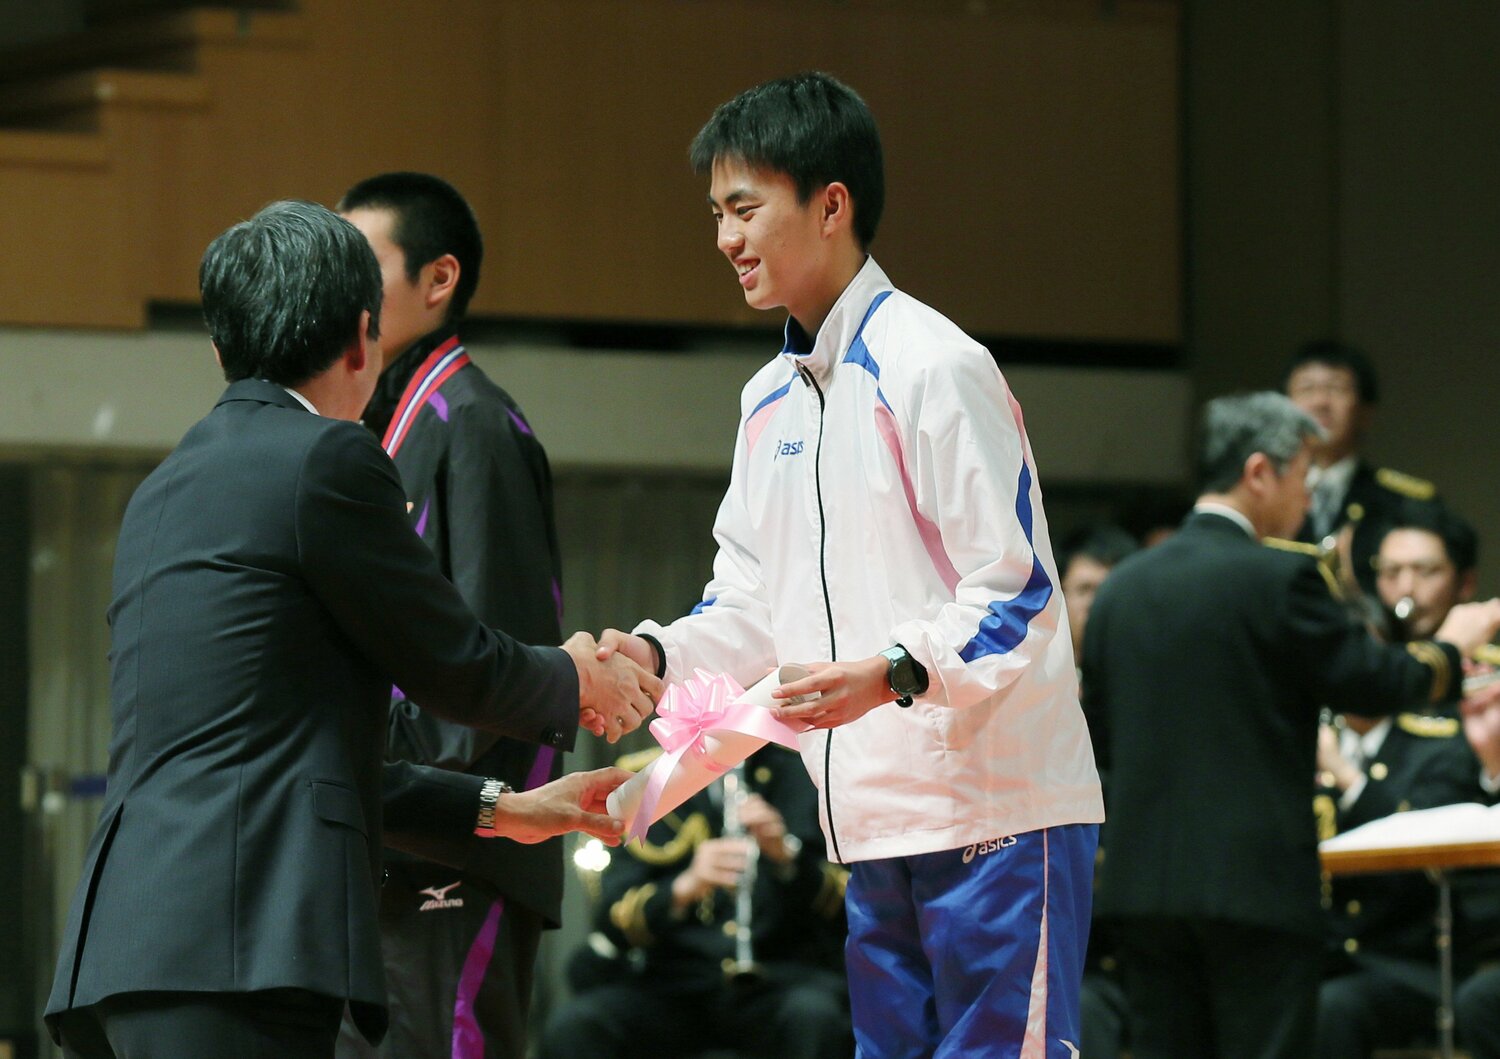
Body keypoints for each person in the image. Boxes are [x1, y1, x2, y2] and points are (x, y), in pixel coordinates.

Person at [42, 201, 660, 1059]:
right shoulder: (326, 458)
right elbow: (454, 661)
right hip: (244, 944)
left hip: (123, 950)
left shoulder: (164, 488)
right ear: (363, 338)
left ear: (221, 346)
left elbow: (271, 749)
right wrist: (576, 675)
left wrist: (500, 807)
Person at [596, 72, 1104, 1057]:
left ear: (831, 205)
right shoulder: (764, 401)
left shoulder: (933, 364)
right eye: (715, 214)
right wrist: (656, 652)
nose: (724, 239)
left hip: (995, 811)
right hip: (869, 826)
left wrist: (894, 672)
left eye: (744, 208)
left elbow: (1019, 595)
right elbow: (747, 601)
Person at [1081, 391, 1500, 1059]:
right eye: (1303, 474)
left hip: (1142, 887)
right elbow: (1377, 680)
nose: (1308, 498)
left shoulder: (1121, 589)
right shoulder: (1280, 578)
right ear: (1259, 473)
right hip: (1255, 887)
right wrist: (1453, 645)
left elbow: (1097, 742)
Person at [332, 172, 567, 1059]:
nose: (340, 288)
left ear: (438, 281)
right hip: (396, 840)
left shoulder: (469, 421)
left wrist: (362, 755)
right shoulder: (386, 423)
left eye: (363, 264)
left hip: (462, 848)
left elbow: (489, 667)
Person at [1313, 501, 1494, 1057]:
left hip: (1425, 949)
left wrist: (1347, 777)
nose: (1404, 588)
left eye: (1425, 570)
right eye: (1390, 572)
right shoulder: (1317, 723)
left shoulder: (1481, 693)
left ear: (1464, 583)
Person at [537, 744, 852, 1059]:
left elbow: (843, 901)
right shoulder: (649, 777)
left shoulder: (801, 769)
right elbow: (614, 916)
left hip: (778, 978)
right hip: (673, 984)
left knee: (815, 1016)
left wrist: (786, 857)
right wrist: (683, 888)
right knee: (578, 1026)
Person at [1282, 339, 1437, 598]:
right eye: (1306, 389)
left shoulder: (1404, 501)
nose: (1320, 402)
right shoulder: (1264, 497)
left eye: (1336, 388)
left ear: (1365, 411)